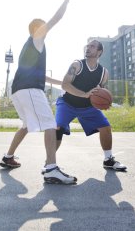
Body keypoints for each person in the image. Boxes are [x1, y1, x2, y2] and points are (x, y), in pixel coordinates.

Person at [0, 0, 77, 185]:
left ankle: (8, 156)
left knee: (26, 125)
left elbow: (41, 75)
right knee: (51, 124)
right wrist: (66, 2)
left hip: (18, 90)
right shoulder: (36, 38)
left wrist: (64, 84)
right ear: (38, 29)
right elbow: (55, 19)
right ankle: (51, 168)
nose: (46, 29)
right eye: (43, 27)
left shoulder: (31, 47)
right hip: (29, 90)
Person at [47, 40, 127, 172]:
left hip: (87, 107)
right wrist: (84, 94)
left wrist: (104, 104)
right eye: (87, 46)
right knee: (58, 127)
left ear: (99, 52)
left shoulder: (104, 73)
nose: (88, 48)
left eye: (92, 46)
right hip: (67, 103)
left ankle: (108, 160)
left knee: (106, 127)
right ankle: (49, 164)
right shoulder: (77, 65)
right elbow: (65, 84)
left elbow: (99, 93)